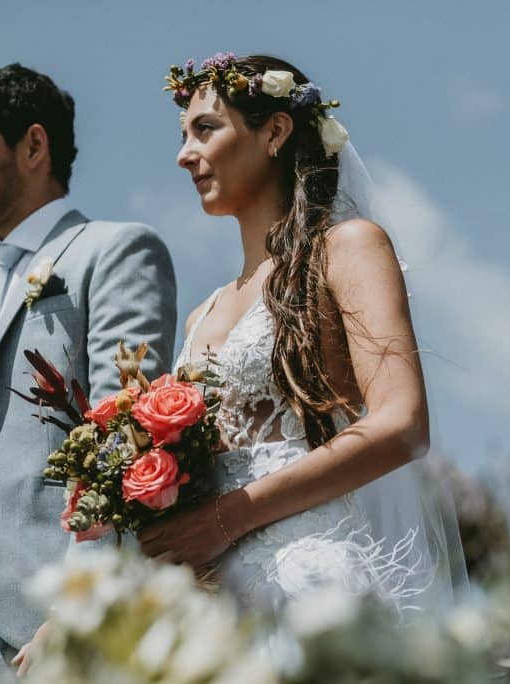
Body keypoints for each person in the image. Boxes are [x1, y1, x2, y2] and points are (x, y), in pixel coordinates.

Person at [137, 53, 466, 615]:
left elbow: (402, 423)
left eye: (205, 129)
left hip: (307, 578)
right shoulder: (201, 315)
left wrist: (227, 518)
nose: (183, 154)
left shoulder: (348, 248)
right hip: (212, 596)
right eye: (183, 135)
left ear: (275, 131)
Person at [0, 63, 177, 682]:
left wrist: (87, 599)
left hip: (47, 623)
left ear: (33, 144)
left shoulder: (114, 251)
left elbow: (127, 428)